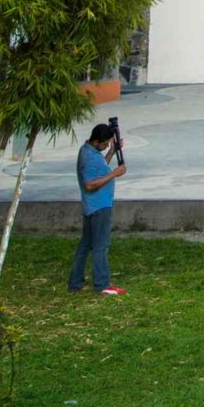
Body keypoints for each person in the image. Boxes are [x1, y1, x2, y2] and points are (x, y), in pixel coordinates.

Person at [69, 118, 125, 295]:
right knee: (101, 245)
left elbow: (100, 168)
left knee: (85, 245)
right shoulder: (88, 157)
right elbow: (90, 185)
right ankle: (102, 284)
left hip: (91, 206)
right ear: (96, 141)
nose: (107, 146)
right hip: (99, 207)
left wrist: (112, 152)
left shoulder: (89, 152)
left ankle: (75, 282)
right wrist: (114, 174)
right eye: (106, 143)